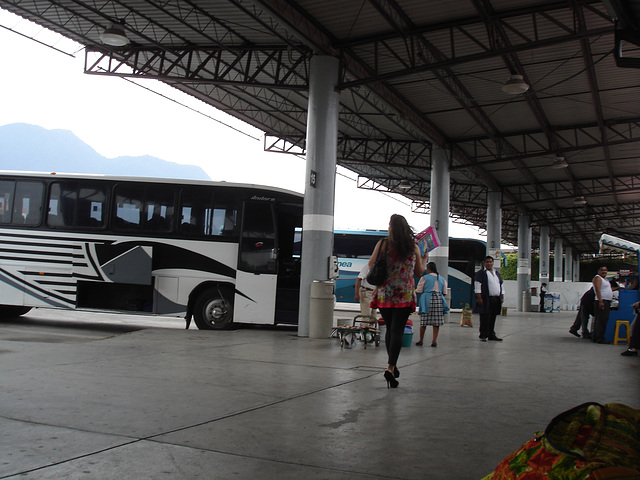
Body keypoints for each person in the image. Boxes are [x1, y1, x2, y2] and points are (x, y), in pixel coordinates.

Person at [369, 214, 427, 388]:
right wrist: (424, 259)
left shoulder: (382, 244)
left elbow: (371, 264)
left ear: (391, 227)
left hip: (385, 293)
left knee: (389, 330)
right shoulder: (413, 247)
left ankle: (392, 366)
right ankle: (390, 366)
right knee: (398, 331)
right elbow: (419, 272)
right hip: (404, 295)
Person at [416, 262, 449, 347]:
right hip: (438, 299)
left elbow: (419, 290)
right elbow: (445, 292)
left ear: (429, 269)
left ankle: (421, 340)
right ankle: (434, 341)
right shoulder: (442, 279)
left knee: (423, 322)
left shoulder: (424, 278)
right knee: (436, 323)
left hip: (427, 300)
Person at [473, 256, 504, 342]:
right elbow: (478, 286)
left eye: (490, 262)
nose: (489, 263)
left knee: (493, 316)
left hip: (496, 298)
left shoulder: (496, 273)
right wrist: (479, 297)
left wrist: (502, 296)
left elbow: (501, 284)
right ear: (484, 263)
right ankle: (483, 334)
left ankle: (491, 334)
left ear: (493, 263)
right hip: (486, 298)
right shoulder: (481, 273)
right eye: (487, 262)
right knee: (485, 317)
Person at [591, 266, 615, 344]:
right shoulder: (598, 278)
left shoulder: (605, 279)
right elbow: (598, 289)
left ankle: (597, 336)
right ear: (598, 271)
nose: (604, 272)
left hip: (606, 301)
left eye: (605, 270)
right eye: (602, 270)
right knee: (601, 320)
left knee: (603, 320)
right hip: (602, 301)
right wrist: (600, 301)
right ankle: (599, 338)